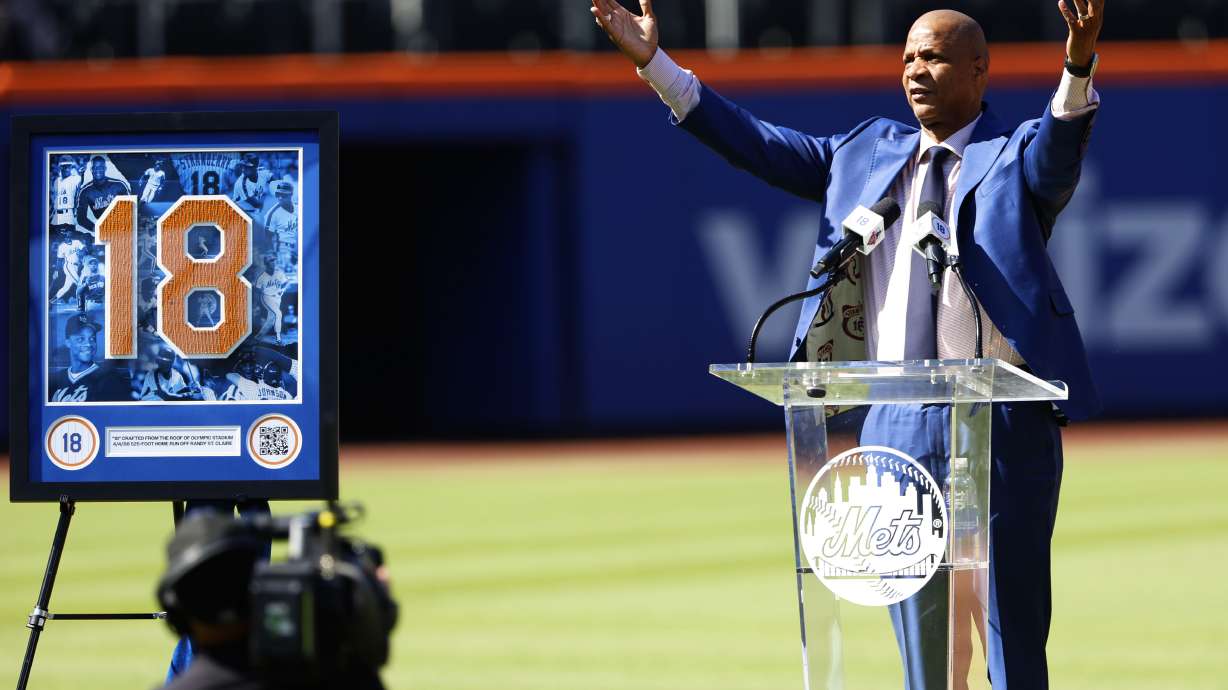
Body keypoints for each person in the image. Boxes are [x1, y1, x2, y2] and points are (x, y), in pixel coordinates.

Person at [592, 1, 1104, 688]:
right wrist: (655, 65)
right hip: (894, 418)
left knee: (1010, 642)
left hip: (999, 421)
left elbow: (1060, 154)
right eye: (908, 59)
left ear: (979, 70)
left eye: (935, 57)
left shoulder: (1013, 154)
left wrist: (1076, 61)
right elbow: (757, 143)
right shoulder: (867, 152)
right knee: (926, 654)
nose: (916, 70)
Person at [49, 314, 130, 402]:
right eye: (80, 339)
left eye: (92, 339)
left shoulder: (110, 379)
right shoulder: (56, 379)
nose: (88, 344)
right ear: (68, 343)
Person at [75, 155, 131, 236]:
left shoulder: (119, 185)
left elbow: (130, 208)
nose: (98, 170)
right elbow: (81, 218)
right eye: (95, 167)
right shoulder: (85, 191)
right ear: (91, 170)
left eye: (101, 167)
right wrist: (96, 229)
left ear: (105, 168)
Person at [254, 254, 289, 346]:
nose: (273, 262)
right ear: (266, 263)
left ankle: (257, 338)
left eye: (274, 260)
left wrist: (282, 290)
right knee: (278, 314)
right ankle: (278, 339)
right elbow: (257, 290)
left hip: (277, 298)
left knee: (271, 319)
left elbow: (286, 283)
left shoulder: (279, 273)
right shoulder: (262, 277)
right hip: (267, 297)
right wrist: (256, 304)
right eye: (271, 261)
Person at [50, 155, 84, 241]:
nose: (65, 168)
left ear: (71, 167)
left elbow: (82, 182)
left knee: (69, 241)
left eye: (67, 166)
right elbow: (54, 198)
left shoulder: (76, 178)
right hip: (56, 215)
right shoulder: (56, 181)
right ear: (60, 167)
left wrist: (82, 174)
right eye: (63, 166)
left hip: (68, 214)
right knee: (55, 242)